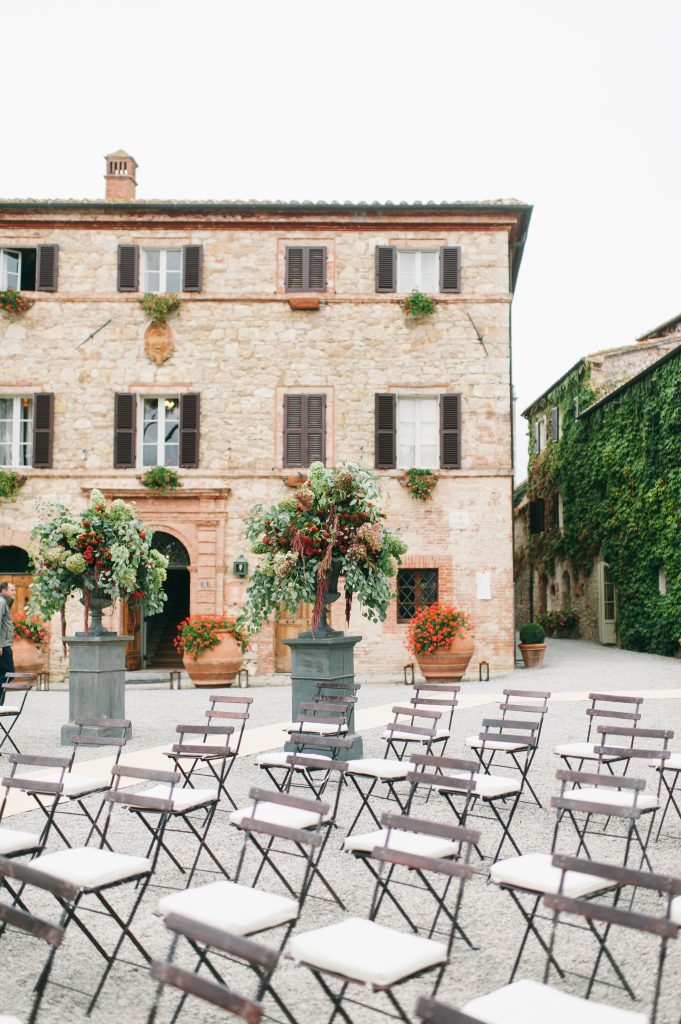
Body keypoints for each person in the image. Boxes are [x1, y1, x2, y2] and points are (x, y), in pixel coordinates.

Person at [0, 582, 16, 706]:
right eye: (12, 590)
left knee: (3, 674)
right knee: (9, 672)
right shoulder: (1, 602)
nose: (14, 592)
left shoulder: (4, 602)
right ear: (3, 591)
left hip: (4, 644)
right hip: (3, 646)